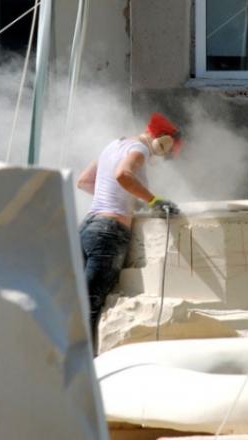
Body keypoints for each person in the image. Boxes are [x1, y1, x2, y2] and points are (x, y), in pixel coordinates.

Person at [76, 112, 182, 340]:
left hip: (88, 228)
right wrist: (152, 200)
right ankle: (83, 360)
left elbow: (84, 181)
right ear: (163, 141)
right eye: (167, 151)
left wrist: (128, 199)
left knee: (76, 301)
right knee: (90, 305)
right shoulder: (140, 149)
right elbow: (123, 175)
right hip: (108, 233)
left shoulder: (113, 145)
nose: (162, 156)